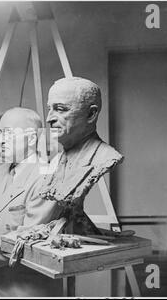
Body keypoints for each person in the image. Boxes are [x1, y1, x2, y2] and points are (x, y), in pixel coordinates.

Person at [0, 107, 63, 297]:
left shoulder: (47, 177)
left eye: (8, 134)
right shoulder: (1, 172)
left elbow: (28, 238)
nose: (0, 140)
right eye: (0, 133)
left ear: (32, 139)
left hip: (27, 291)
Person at [40, 77, 124, 234]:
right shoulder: (56, 161)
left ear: (91, 114)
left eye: (61, 109)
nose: (49, 118)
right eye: (49, 108)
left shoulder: (105, 157)